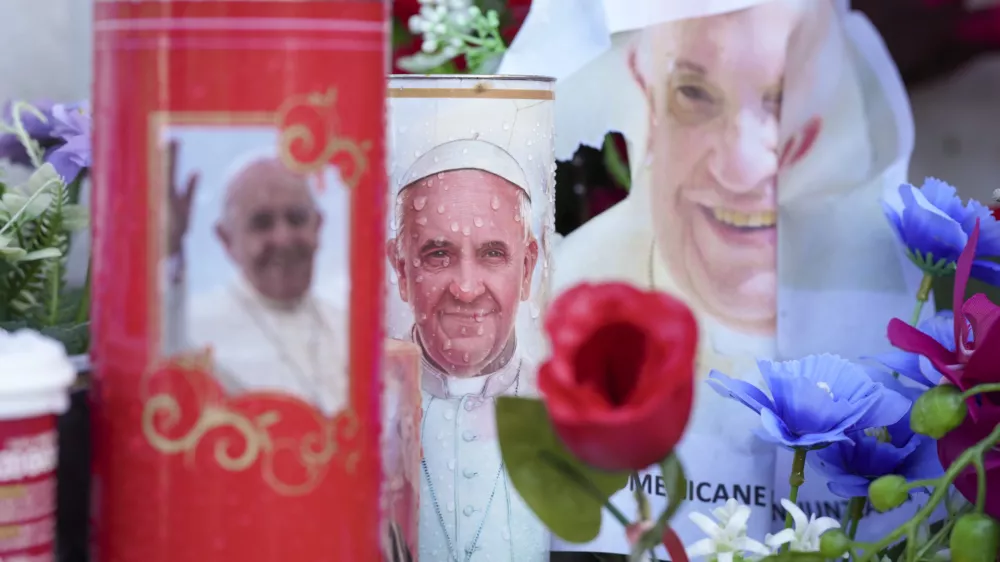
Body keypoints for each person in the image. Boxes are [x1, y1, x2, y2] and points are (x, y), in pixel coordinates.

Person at [385, 138, 547, 562]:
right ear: (402, 268)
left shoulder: (572, 413)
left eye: (493, 254)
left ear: (527, 266)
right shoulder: (358, 412)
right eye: (438, 255)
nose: (467, 288)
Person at [162, 141, 349, 416]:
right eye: (261, 223)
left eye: (296, 218)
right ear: (226, 240)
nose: (283, 238)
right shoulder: (191, 330)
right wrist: (167, 252)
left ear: (318, 225)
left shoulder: (347, 326)